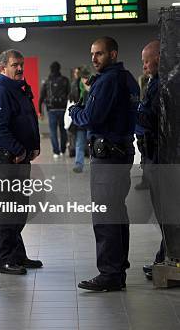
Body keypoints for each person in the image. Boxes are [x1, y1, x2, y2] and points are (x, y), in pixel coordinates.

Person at [70, 36, 139, 291]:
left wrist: (74, 111)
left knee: (105, 215)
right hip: (121, 154)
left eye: (99, 54)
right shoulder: (128, 79)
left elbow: (91, 117)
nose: (94, 58)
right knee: (117, 212)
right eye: (92, 54)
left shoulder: (108, 80)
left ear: (113, 54)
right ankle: (117, 268)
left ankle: (110, 273)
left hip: (108, 157)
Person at [0, 49, 42, 275]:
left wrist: (34, 145)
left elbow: (28, 119)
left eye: (21, 64)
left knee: (20, 208)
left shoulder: (19, 90)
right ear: (2, 68)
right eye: (15, 65)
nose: (19, 68)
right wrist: (19, 150)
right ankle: (4, 259)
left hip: (20, 159)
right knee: (9, 209)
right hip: (7, 160)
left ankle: (17, 255)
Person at [136, 40, 164, 280]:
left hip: (163, 157)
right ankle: (164, 257)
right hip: (154, 155)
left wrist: (134, 113)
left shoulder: (164, 84)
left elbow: (152, 118)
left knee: (167, 212)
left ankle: (166, 259)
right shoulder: (155, 82)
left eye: (147, 60)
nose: (144, 66)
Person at [38, 61, 70, 158]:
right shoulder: (65, 80)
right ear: (59, 68)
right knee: (63, 130)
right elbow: (70, 95)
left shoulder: (47, 81)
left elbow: (41, 98)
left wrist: (40, 111)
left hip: (51, 110)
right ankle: (63, 150)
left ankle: (56, 152)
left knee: (53, 132)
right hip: (62, 109)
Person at [72, 67, 91, 173]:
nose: (85, 80)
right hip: (80, 121)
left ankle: (95, 164)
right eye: (84, 78)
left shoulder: (95, 87)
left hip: (91, 121)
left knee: (92, 142)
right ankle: (79, 164)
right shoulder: (77, 87)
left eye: (87, 77)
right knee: (79, 143)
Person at [134, 73, 151, 191]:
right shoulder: (145, 83)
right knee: (145, 154)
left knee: (147, 155)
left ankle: (147, 181)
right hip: (142, 126)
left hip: (146, 127)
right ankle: (146, 180)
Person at [67, 67, 82, 157]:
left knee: (80, 132)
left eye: (77, 73)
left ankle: (78, 150)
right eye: (75, 73)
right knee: (73, 131)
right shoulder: (73, 84)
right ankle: (73, 149)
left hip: (81, 110)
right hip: (75, 110)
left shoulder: (84, 83)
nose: (76, 74)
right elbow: (71, 95)